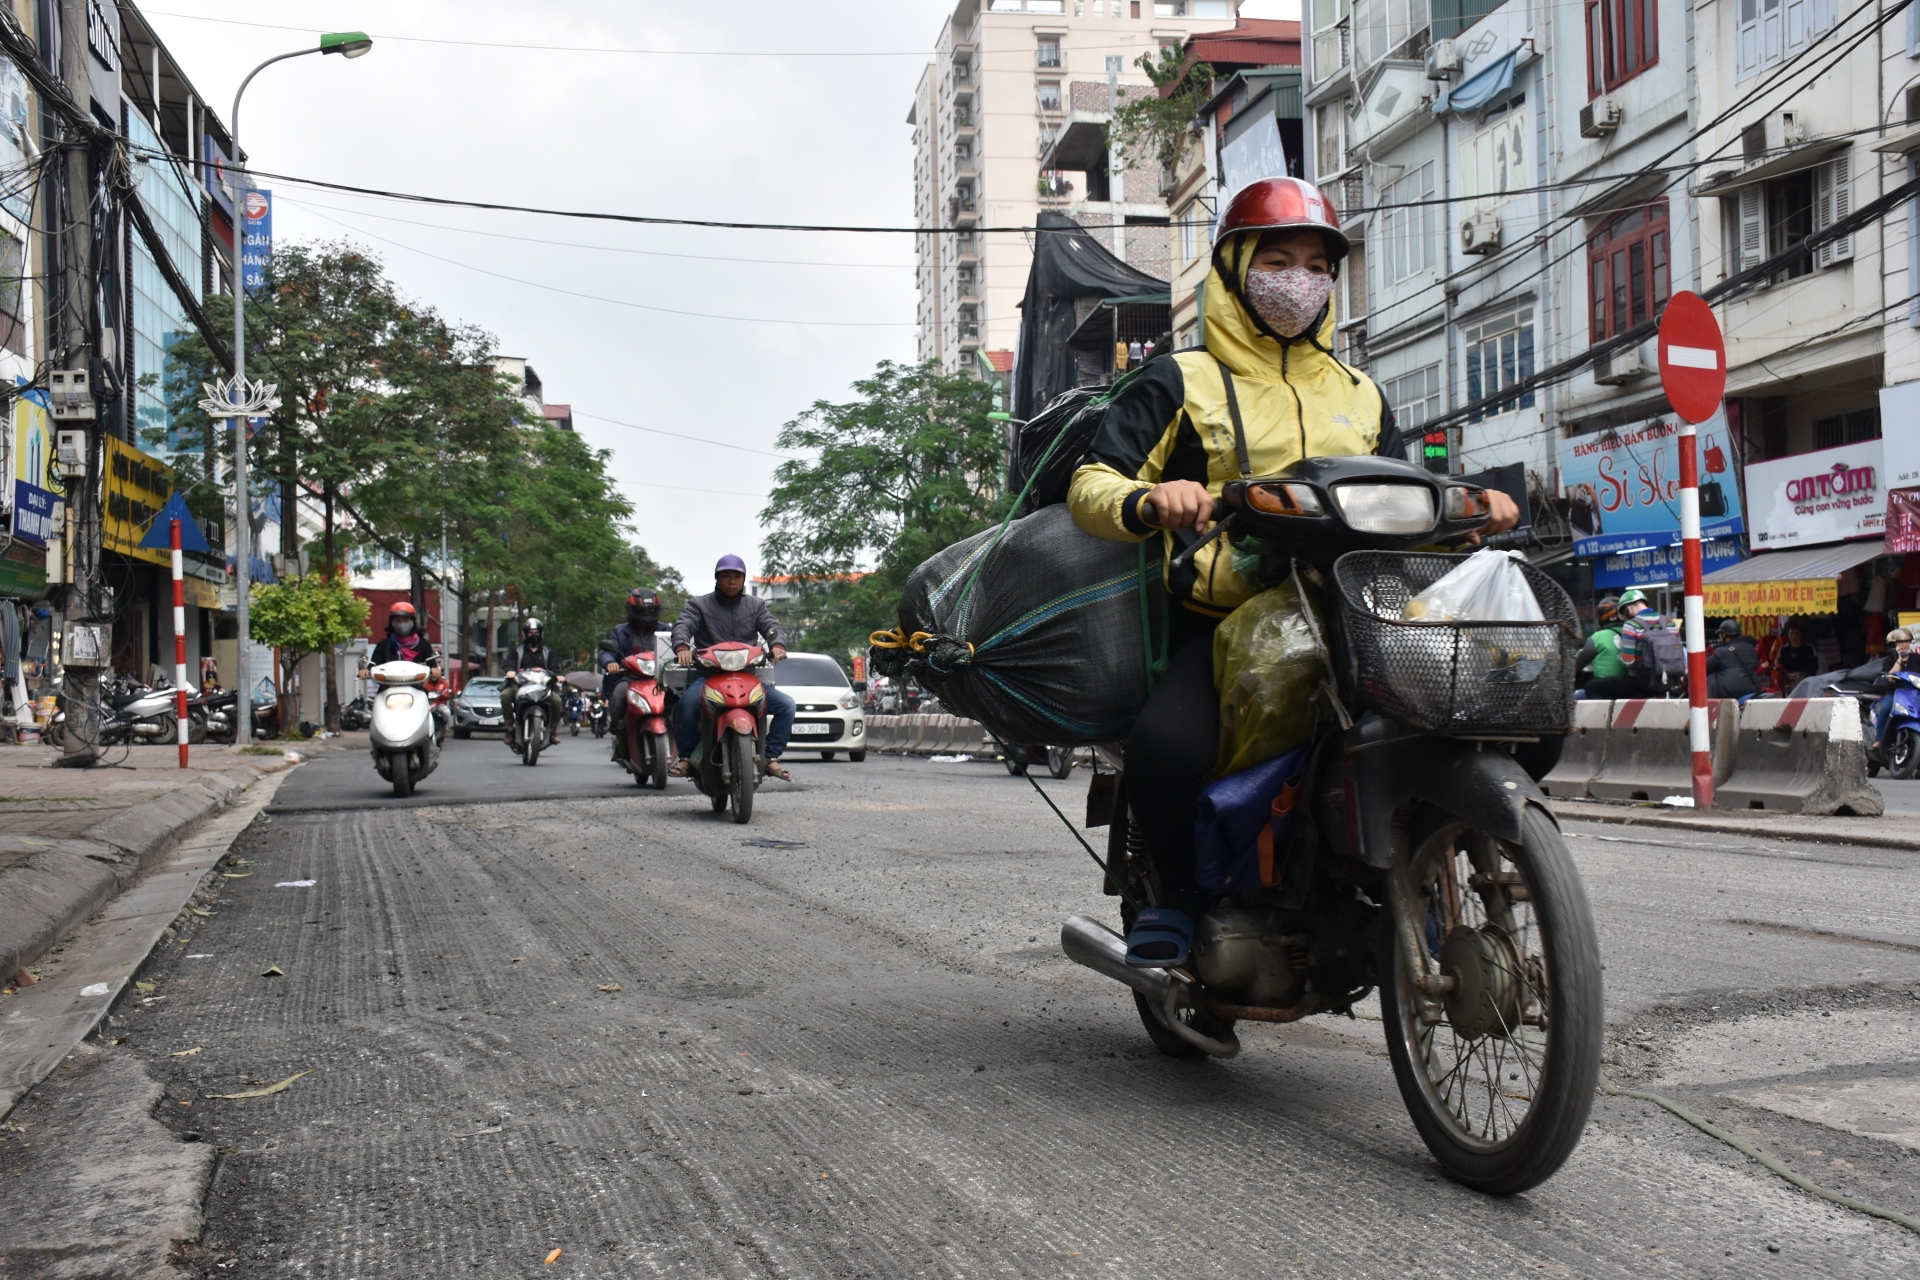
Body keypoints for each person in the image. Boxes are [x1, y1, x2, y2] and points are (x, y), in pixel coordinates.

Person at [1065, 176, 1520, 965]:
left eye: (1316, 265)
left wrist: (1471, 509)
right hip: (1223, 620)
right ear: (1235, 268)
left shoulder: (1361, 394)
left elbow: (1401, 495)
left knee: (1483, 711)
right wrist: (1152, 500)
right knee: (1167, 750)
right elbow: (1091, 484)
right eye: (1278, 261)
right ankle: (1177, 898)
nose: (1299, 280)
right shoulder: (1179, 380)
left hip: (1361, 613)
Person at [669, 555, 797, 781]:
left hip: (747, 677)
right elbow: (684, 625)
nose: (731, 581)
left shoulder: (755, 605)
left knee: (787, 705)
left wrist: (777, 644)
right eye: (726, 576)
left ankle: (770, 755)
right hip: (709, 677)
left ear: (743, 579)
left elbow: (771, 626)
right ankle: (687, 757)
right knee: (687, 704)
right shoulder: (699, 604)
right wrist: (681, 646)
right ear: (716, 578)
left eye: (736, 577)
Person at [598, 588, 666, 762]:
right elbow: (606, 652)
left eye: (651, 610)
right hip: (630, 679)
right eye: (642, 610)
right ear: (631, 610)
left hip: (662, 680)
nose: (647, 614)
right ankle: (621, 740)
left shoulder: (666, 630)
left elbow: (679, 647)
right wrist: (610, 662)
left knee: (683, 704)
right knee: (618, 700)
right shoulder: (620, 631)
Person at [500, 618, 559, 749]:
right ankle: (510, 728)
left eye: (536, 632)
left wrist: (556, 675)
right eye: (531, 633)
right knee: (505, 695)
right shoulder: (517, 651)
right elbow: (509, 664)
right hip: (521, 686)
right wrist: (510, 671)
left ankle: (552, 731)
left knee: (557, 700)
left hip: (543, 687)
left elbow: (555, 668)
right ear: (525, 634)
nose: (534, 635)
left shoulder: (548, 652)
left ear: (541, 633)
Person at [1869, 627, 1919, 750]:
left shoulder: (1917, 658)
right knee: (1886, 708)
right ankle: (1879, 739)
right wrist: (1899, 659)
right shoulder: (1889, 660)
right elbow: (1890, 677)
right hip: (1895, 693)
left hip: (1914, 693)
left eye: (1906, 641)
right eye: (1900, 642)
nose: (1904, 644)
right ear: (1894, 645)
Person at [366, 601, 439, 670]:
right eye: (398, 621)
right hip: (390, 679)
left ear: (413, 622)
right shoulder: (384, 646)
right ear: (392, 623)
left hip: (417, 680)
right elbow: (373, 666)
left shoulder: (424, 645)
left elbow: (432, 666)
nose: (402, 624)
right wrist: (367, 671)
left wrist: (434, 670)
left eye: (406, 620)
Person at [1573, 596, 1624, 695]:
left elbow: (1577, 664)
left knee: (1576, 695)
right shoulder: (1630, 632)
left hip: (1603, 690)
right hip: (1628, 689)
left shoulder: (1598, 637)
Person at [1705, 618, 1762, 699]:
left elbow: (1704, 669)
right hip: (1752, 691)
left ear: (1724, 635)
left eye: (1720, 634)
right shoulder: (1751, 648)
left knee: (1714, 675)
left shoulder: (1721, 652)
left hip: (1731, 695)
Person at [1776, 625, 1818, 690]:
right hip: (1788, 679)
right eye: (1791, 634)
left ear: (1801, 635)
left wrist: (1807, 678)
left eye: (1796, 634)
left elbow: (1814, 666)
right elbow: (1780, 666)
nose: (1793, 636)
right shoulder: (1783, 650)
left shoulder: (1809, 649)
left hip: (1804, 678)